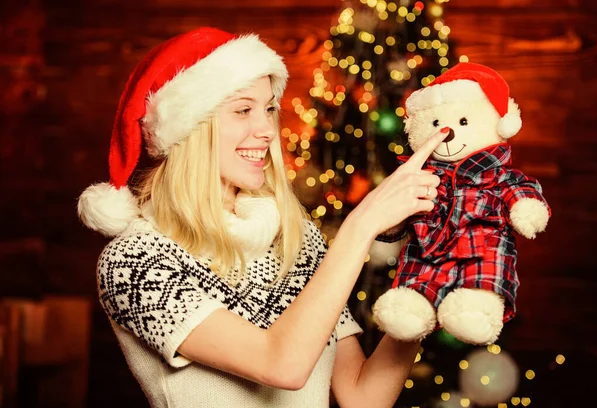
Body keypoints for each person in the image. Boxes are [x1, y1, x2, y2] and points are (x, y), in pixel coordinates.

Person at [77, 27, 445, 408]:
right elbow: (281, 365)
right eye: (242, 110)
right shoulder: (133, 261)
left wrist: (426, 281)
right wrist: (362, 225)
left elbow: (361, 397)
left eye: (269, 108)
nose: (267, 130)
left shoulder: (294, 238)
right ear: (189, 127)